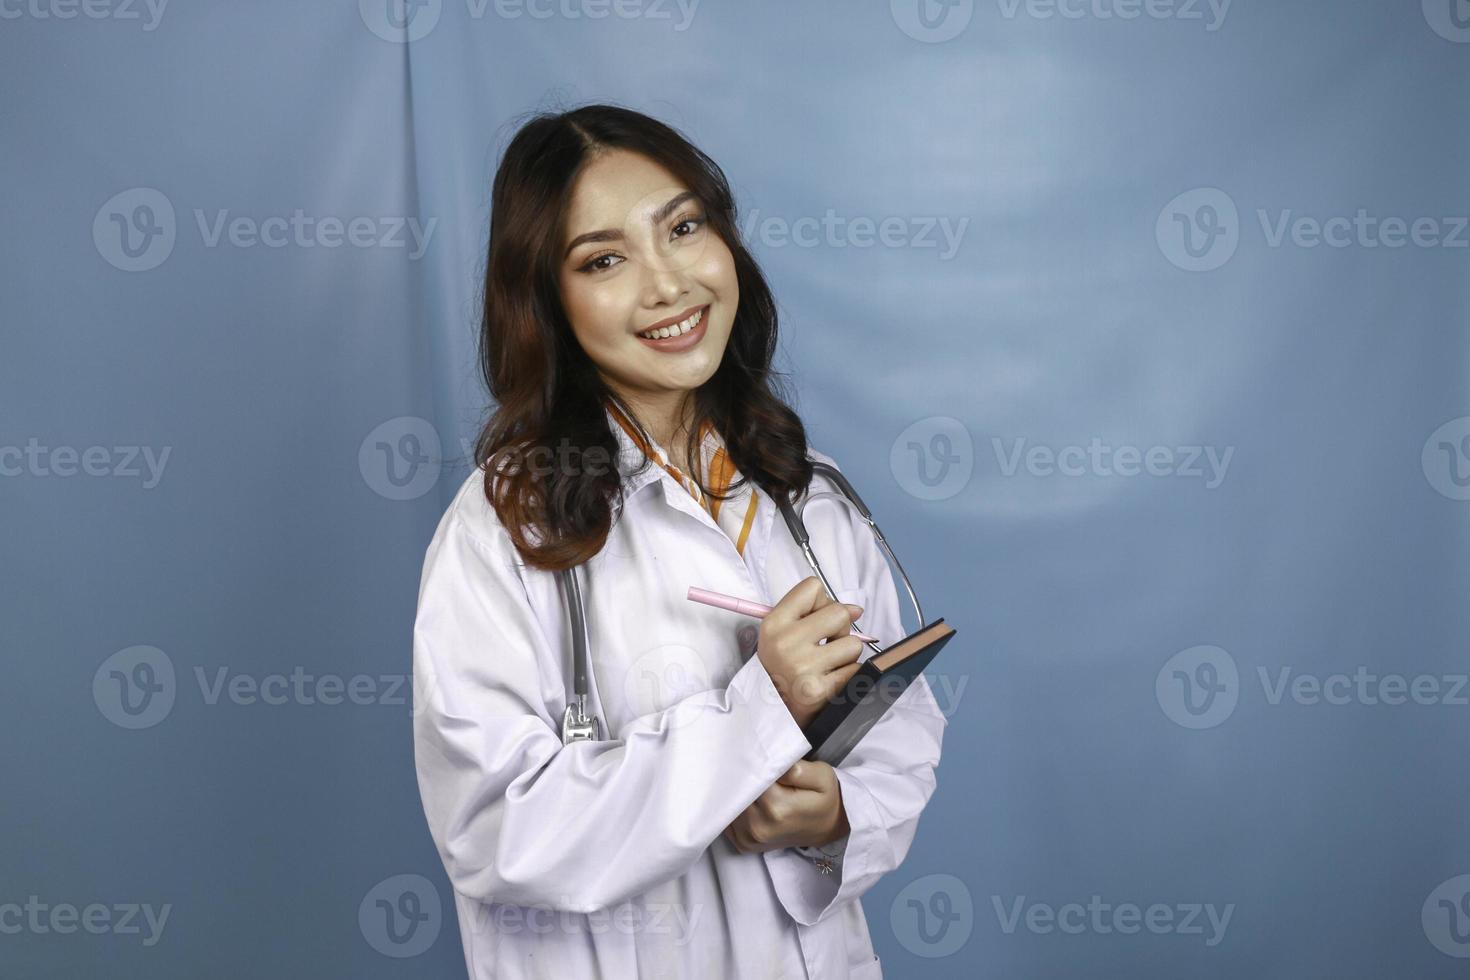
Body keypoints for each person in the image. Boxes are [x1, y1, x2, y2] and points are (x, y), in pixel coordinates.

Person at [412, 102, 947, 979]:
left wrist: (837, 813)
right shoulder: (507, 525)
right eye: (605, 259)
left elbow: (901, 734)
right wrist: (758, 713)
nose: (667, 286)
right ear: (546, 295)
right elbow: (495, 830)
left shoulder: (808, 491)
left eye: (685, 227)